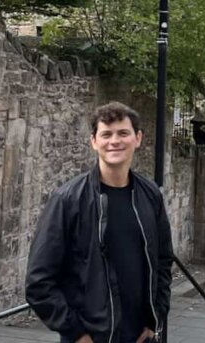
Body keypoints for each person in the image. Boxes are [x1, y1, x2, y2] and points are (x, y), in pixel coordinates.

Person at [26, 102, 173, 343]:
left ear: (138, 138)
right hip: (90, 337)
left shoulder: (150, 196)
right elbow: (38, 282)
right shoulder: (68, 200)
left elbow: (164, 261)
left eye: (123, 133)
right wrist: (76, 334)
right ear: (94, 141)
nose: (115, 141)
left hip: (140, 337)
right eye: (106, 134)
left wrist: (154, 319)